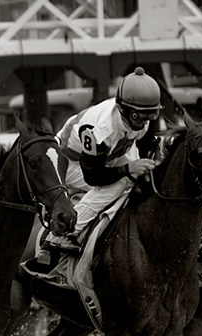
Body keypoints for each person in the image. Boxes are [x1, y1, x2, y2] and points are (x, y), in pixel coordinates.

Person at [41, 67, 162, 255]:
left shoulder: (139, 115)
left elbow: (147, 148)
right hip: (70, 162)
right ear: (123, 109)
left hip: (108, 155)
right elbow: (93, 176)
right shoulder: (101, 130)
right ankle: (65, 233)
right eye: (139, 117)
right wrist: (129, 168)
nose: (144, 123)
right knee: (122, 182)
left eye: (149, 116)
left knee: (143, 176)